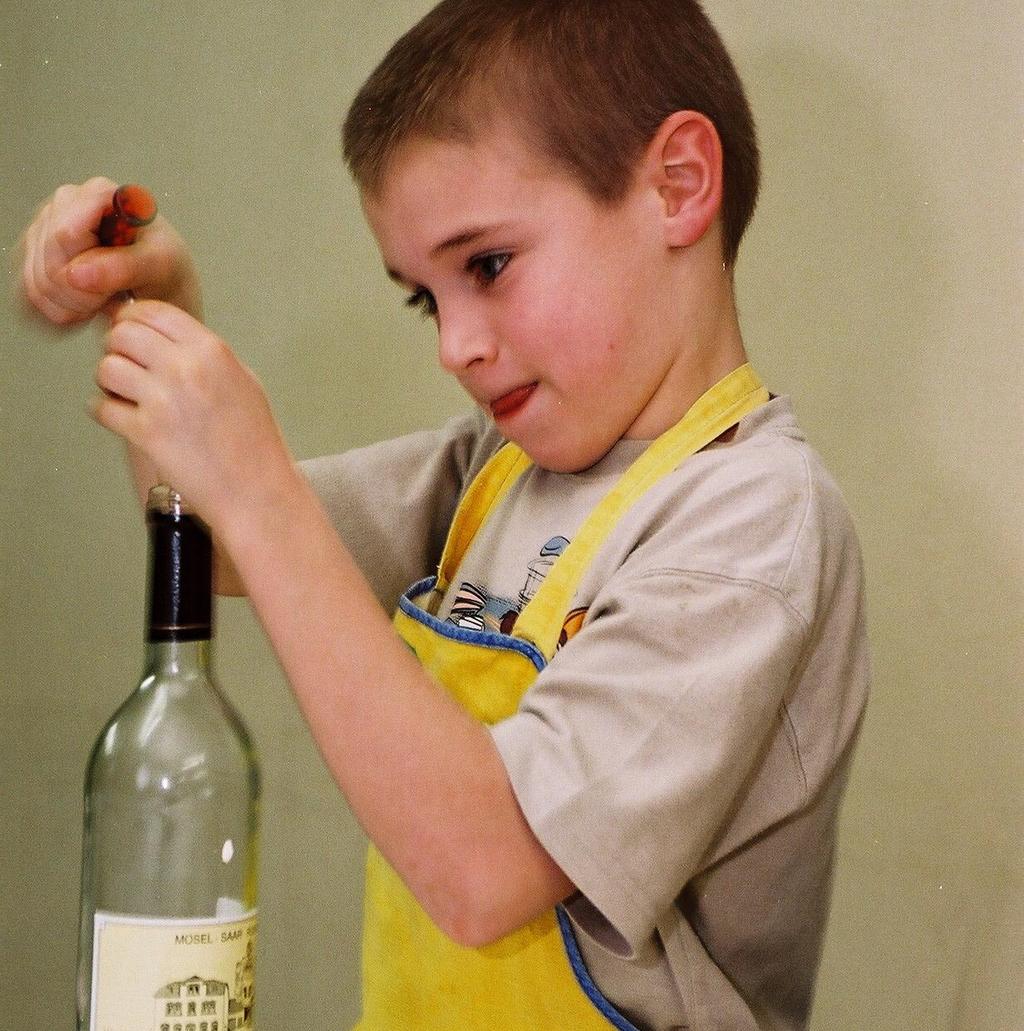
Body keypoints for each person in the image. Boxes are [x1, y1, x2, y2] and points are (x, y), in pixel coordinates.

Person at [19, 1, 869, 1028]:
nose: (454, 344)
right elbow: (218, 539)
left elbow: (484, 868)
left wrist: (255, 481)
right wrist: (158, 316)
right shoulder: (497, 469)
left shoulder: (747, 523)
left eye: (488, 266)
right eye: (426, 297)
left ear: (676, 184)